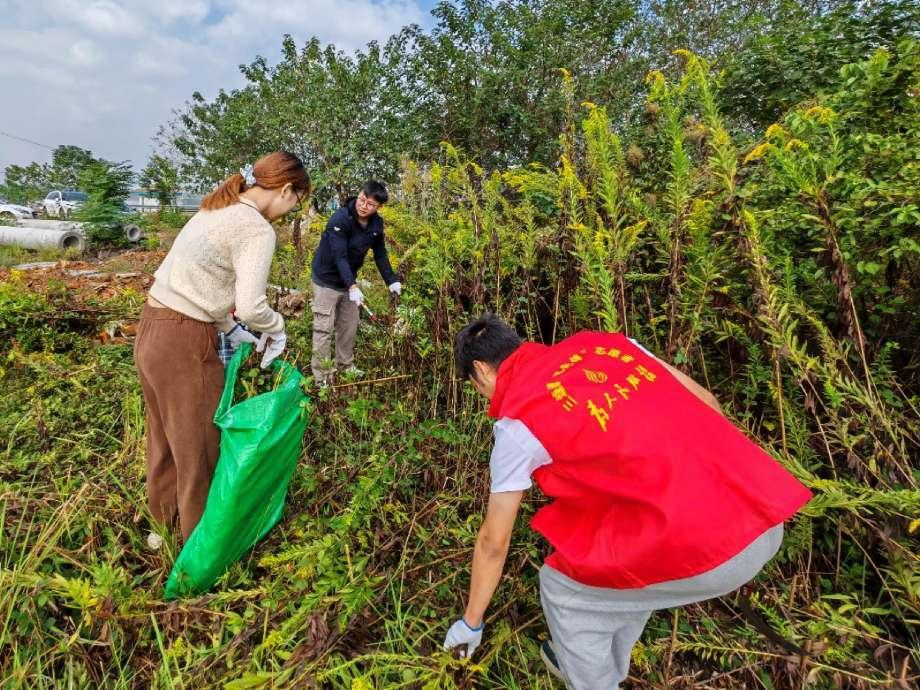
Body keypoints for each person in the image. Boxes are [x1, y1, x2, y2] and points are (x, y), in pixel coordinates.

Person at [442, 314, 812, 689]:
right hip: (763, 507)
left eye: (474, 386)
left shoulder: (518, 424)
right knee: (619, 560)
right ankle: (590, 657)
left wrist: (470, 623)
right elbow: (708, 402)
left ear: (481, 371)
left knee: (560, 589)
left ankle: (593, 680)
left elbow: (494, 542)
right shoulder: (607, 345)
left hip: (716, 550)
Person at [135, 152, 310, 547]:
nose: (290, 211)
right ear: (286, 190)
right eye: (296, 201)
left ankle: (160, 532)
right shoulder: (255, 228)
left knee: (164, 438)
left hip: (152, 328)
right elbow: (252, 305)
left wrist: (231, 328)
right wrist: (275, 329)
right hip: (183, 340)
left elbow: (199, 282)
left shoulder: (216, 208)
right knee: (199, 447)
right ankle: (199, 552)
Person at [309, 181, 401, 384]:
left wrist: (391, 280)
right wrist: (352, 285)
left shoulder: (376, 224)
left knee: (349, 325)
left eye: (369, 203)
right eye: (361, 199)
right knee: (324, 329)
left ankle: (345, 367)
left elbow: (380, 254)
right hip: (326, 281)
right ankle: (322, 377)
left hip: (349, 282)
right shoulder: (340, 219)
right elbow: (339, 256)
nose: (363, 205)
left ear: (378, 207)